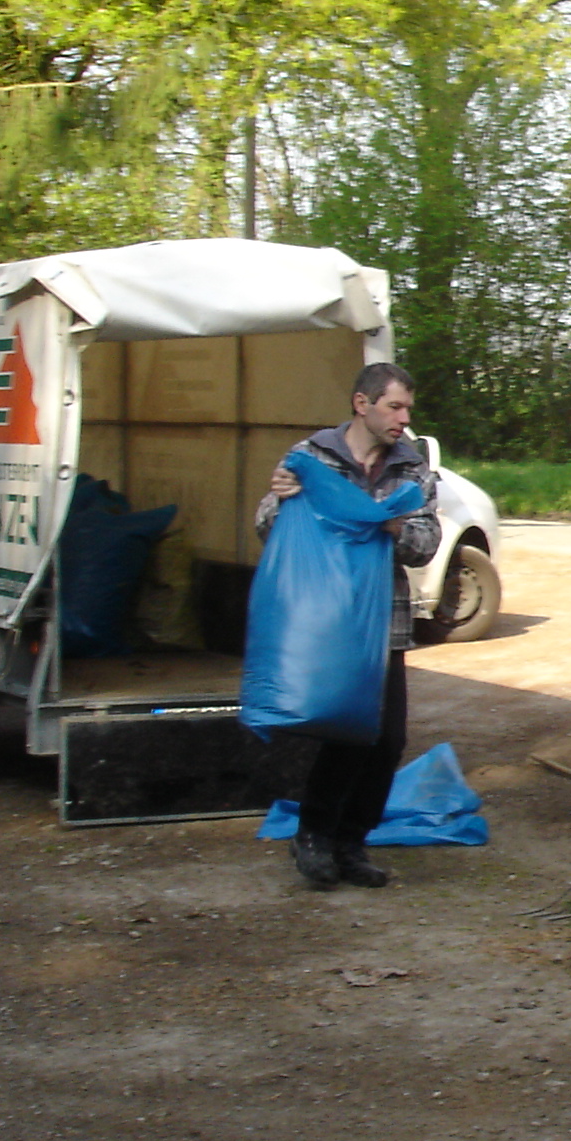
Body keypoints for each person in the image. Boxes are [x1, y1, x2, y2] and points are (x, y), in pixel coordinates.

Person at [254, 362, 440, 886]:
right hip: (325, 620)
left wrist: (395, 525)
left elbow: (427, 548)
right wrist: (283, 497)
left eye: (408, 409)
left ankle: (352, 844)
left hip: (384, 623)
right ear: (363, 404)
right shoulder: (313, 459)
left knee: (387, 739)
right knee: (344, 730)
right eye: (395, 407)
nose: (404, 419)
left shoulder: (413, 470)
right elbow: (267, 525)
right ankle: (314, 834)